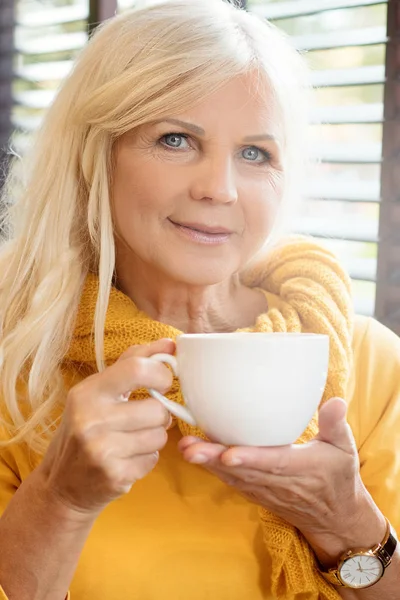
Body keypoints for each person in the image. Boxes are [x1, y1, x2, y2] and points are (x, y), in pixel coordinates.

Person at [0, 1, 399, 599]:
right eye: (176, 138)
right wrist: (62, 499)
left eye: (256, 153)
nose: (220, 188)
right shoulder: (15, 365)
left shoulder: (366, 362)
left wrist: (344, 522)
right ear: (94, 158)